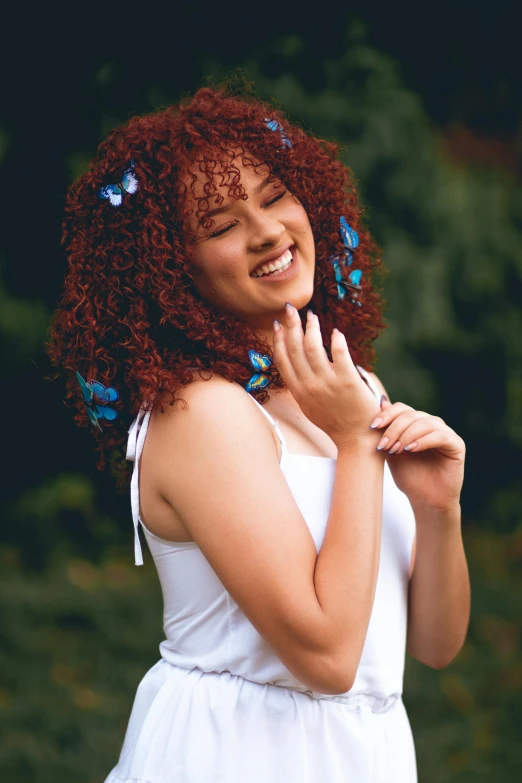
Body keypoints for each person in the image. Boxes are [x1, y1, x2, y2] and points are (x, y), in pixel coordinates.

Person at [47, 81, 471, 782]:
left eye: (275, 197)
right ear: (171, 269)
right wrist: (358, 448)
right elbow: (329, 658)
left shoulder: (350, 387)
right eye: (220, 226)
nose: (268, 231)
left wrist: (437, 508)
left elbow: (432, 644)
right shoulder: (200, 414)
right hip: (237, 754)